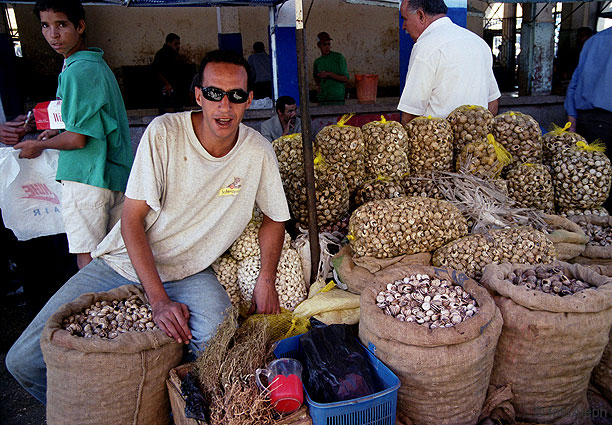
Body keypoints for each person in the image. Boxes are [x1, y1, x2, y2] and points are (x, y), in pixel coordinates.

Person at [6, 49, 290, 405]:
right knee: (24, 361)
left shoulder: (258, 152)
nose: (225, 106)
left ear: (249, 99)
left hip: (190, 271)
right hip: (122, 263)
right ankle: (90, 411)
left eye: (236, 96)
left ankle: (176, 408)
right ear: (199, 95)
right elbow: (131, 219)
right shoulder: (165, 134)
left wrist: (266, 279)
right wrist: (158, 301)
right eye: (215, 93)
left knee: (217, 336)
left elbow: (275, 217)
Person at [11, 0, 133, 270]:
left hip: (86, 177)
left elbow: (77, 139)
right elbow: (88, 121)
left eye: (61, 25)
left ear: (80, 26)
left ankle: (93, 309)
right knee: (115, 256)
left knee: (87, 257)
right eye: (45, 26)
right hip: (110, 175)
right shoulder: (95, 65)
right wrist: (55, 131)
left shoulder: (78, 71)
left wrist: (38, 146)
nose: (53, 34)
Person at [397, 0, 500, 124]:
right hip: (477, 140)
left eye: (405, 19)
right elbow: (493, 103)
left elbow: (411, 112)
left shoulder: (426, 47)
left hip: (438, 141)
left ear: (421, 16)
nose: (403, 26)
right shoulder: (479, 43)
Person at [565, 27, 612, 146]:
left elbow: (573, 86)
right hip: (603, 120)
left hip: (587, 122)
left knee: (589, 162)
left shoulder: (594, 41)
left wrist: (572, 123)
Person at [313, 32, 349, 105]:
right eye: (324, 44)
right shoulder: (317, 62)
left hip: (337, 99)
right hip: (323, 99)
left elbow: (345, 78)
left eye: (329, 44)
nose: (327, 47)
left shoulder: (338, 58)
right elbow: (316, 78)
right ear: (318, 45)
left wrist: (329, 74)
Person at [152, 33, 181, 109]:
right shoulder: (162, 54)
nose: (177, 46)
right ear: (169, 42)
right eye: (175, 43)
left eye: (178, 44)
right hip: (164, 87)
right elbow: (157, 71)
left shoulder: (173, 54)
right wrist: (166, 83)